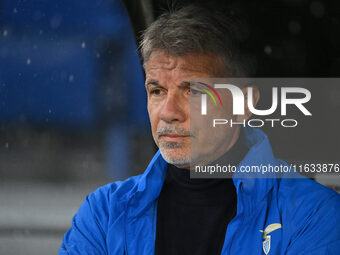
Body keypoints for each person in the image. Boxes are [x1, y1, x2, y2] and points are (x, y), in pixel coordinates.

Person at [59, 5, 340, 255]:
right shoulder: (104, 213)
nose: (168, 112)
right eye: (157, 90)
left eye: (192, 91)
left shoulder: (314, 214)